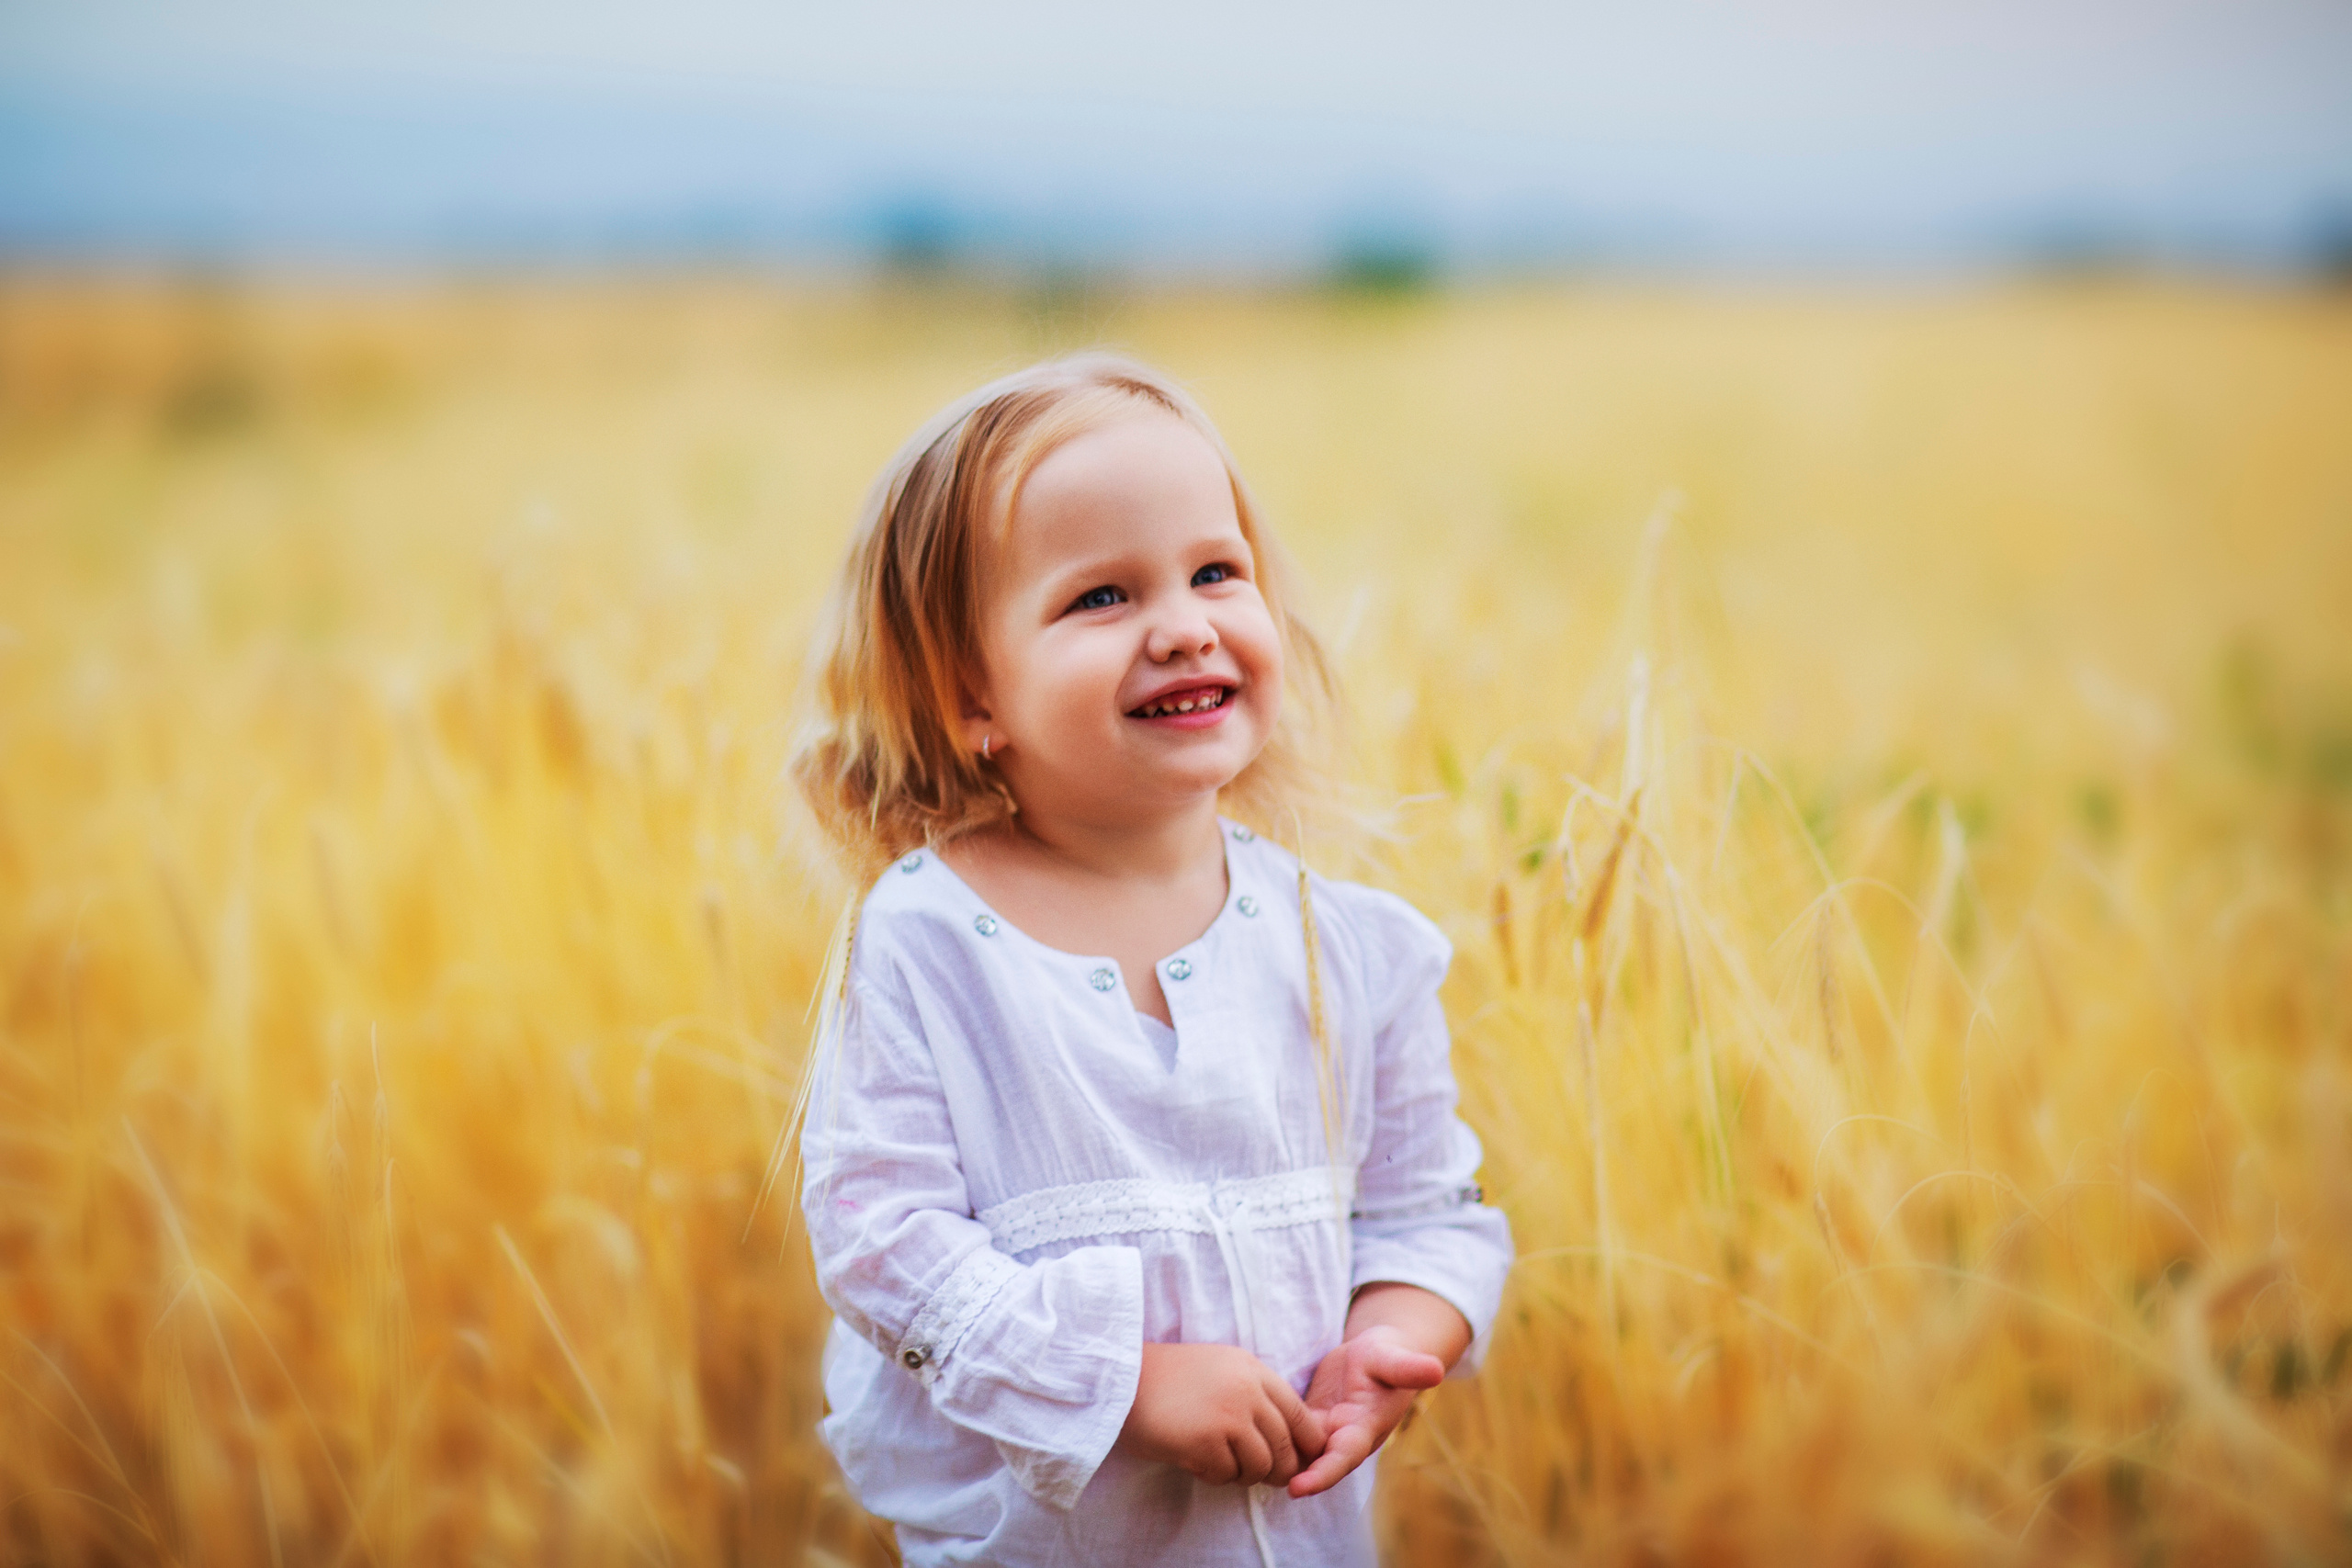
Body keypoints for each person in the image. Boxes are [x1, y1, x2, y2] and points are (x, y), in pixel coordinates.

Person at [790, 353, 1512, 1566]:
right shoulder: (928, 940)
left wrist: (1400, 1334)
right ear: (972, 694)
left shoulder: (1346, 950)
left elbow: (1430, 1213)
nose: (1185, 627)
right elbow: (879, 1236)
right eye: (1102, 599)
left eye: (1215, 573)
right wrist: (1120, 1382)